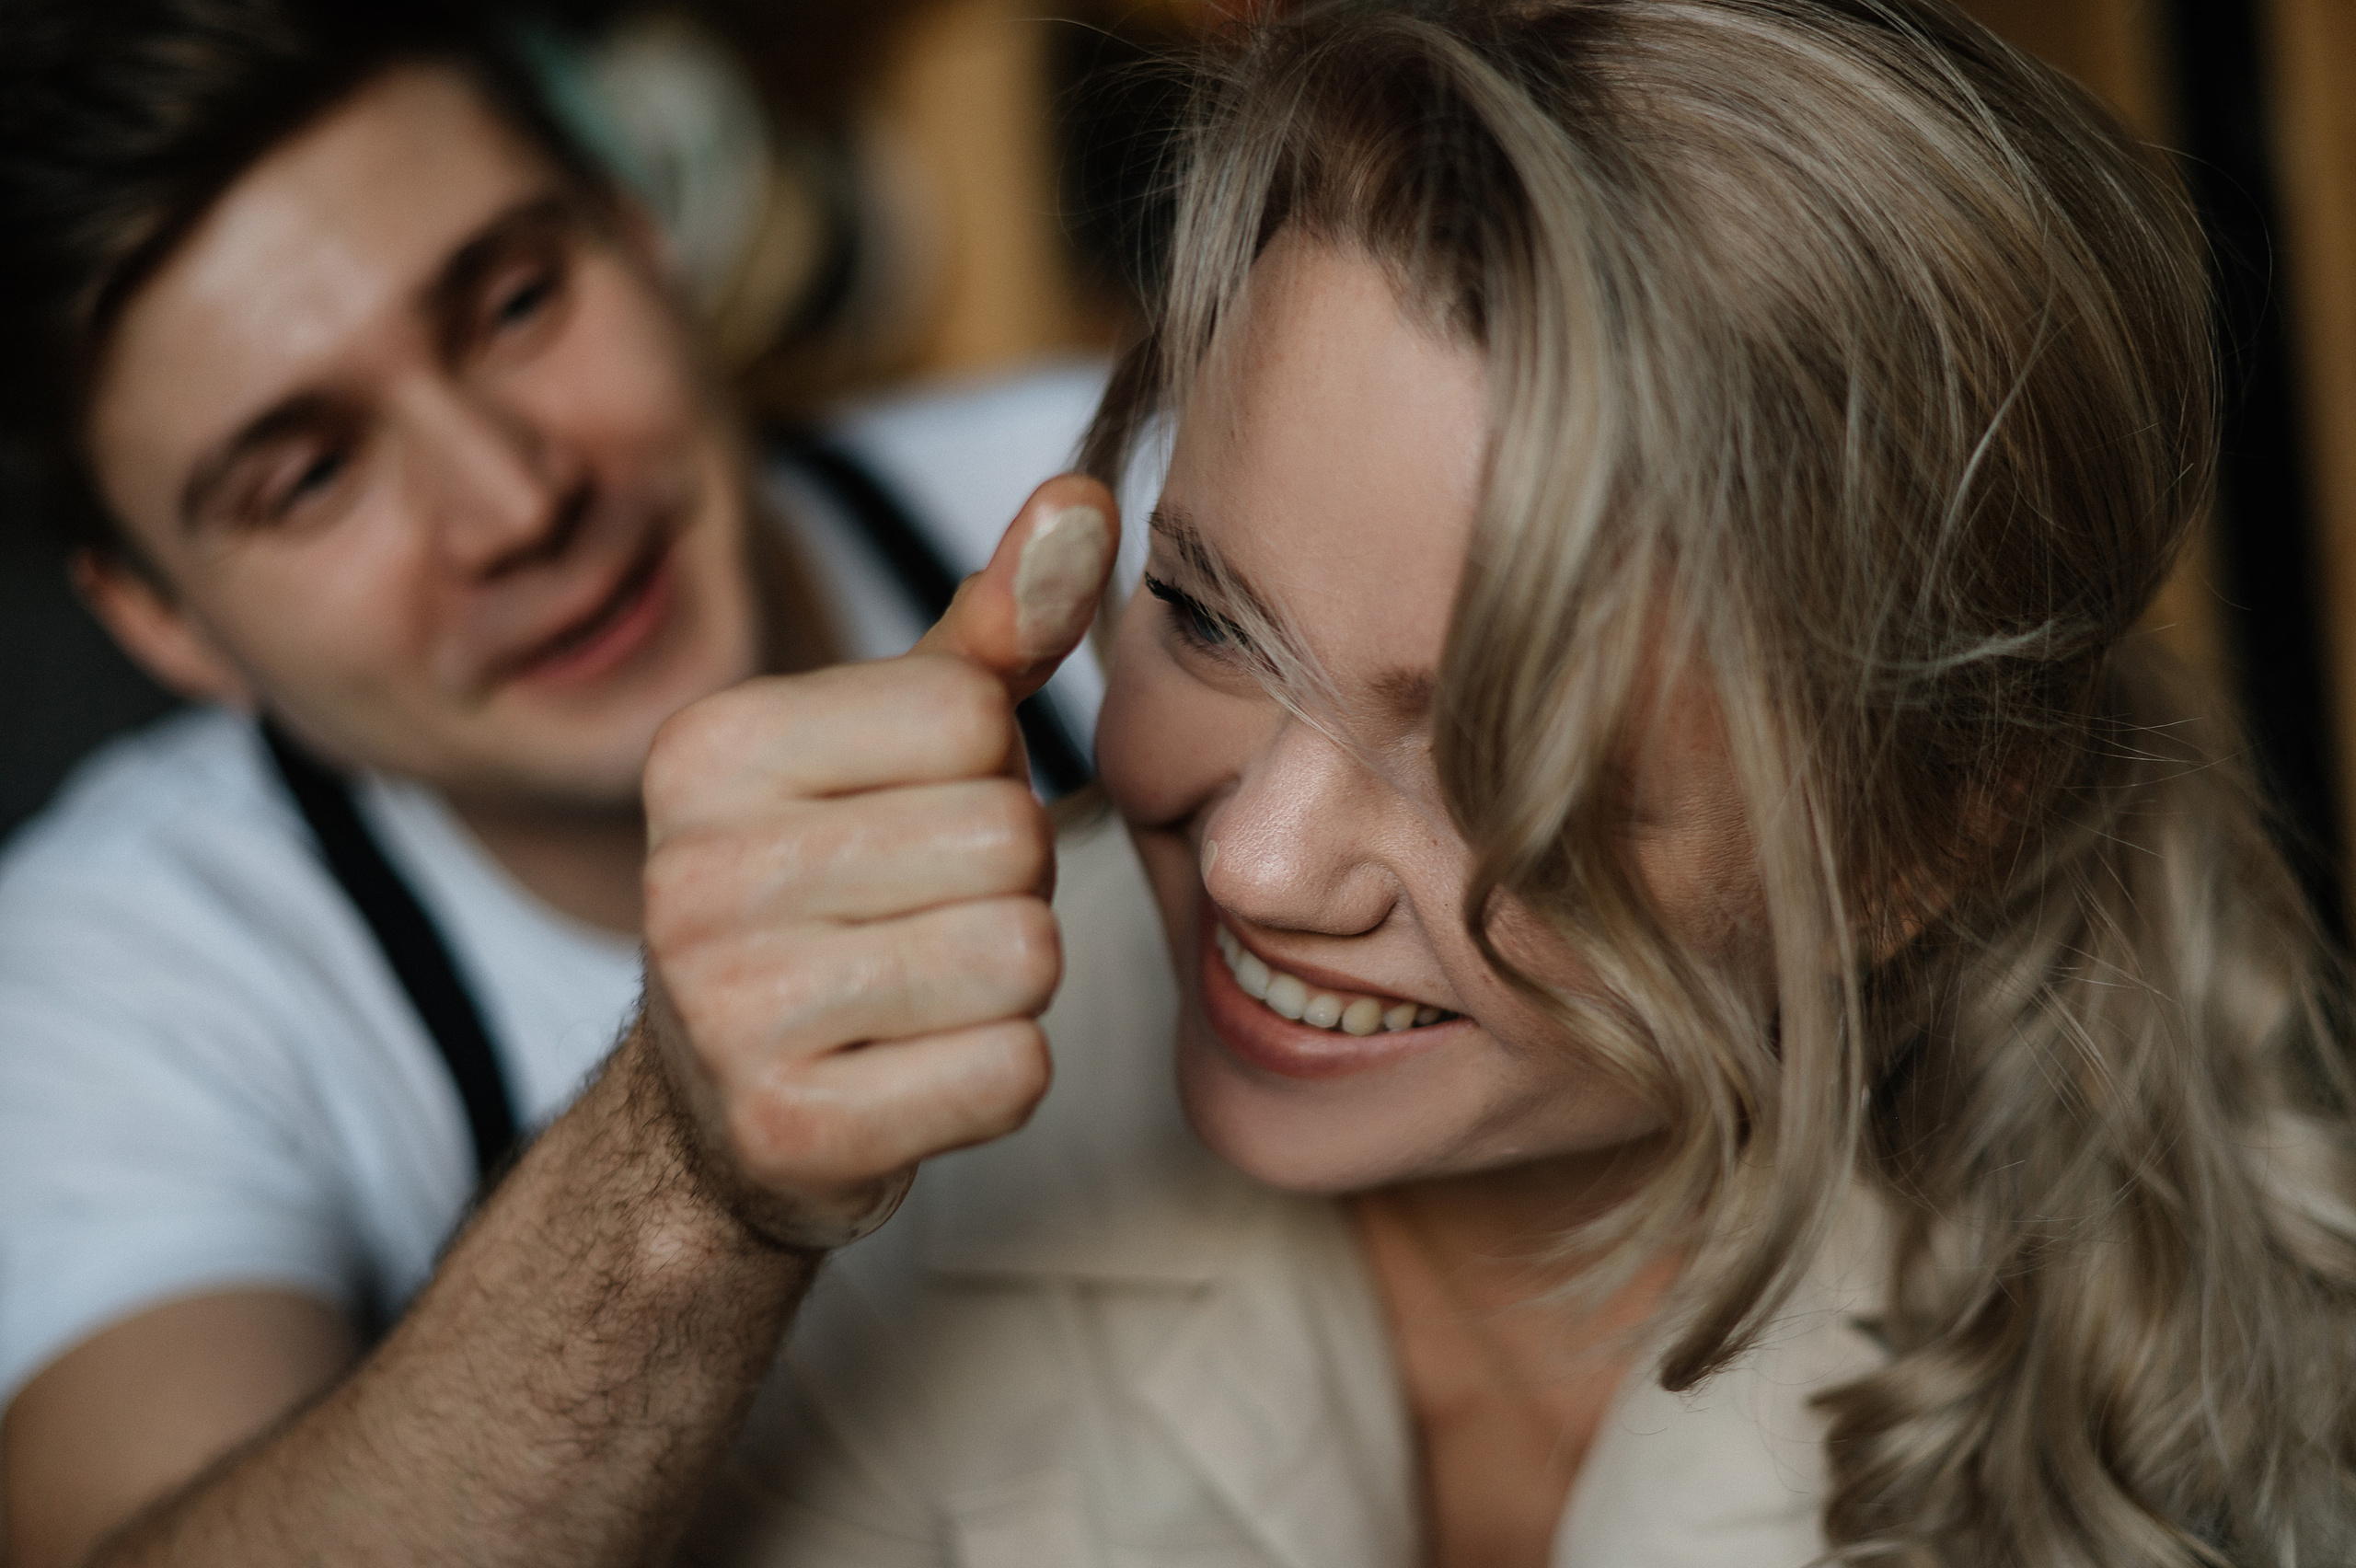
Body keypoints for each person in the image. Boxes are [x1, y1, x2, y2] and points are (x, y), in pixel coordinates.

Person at [665, 1, 2356, 1563]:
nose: (1256, 864)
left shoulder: (2253, 1416)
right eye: (1210, 619)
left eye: (1498, 761)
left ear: (1911, 846)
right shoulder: (896, 1129)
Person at [0, 2, 1131, 1562]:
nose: (515, 502)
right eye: (311, 473)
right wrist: (681, 1179)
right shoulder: (116, 980)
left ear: (645, 233)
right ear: (159, 622)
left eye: (517, 302)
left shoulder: (1150, 496)